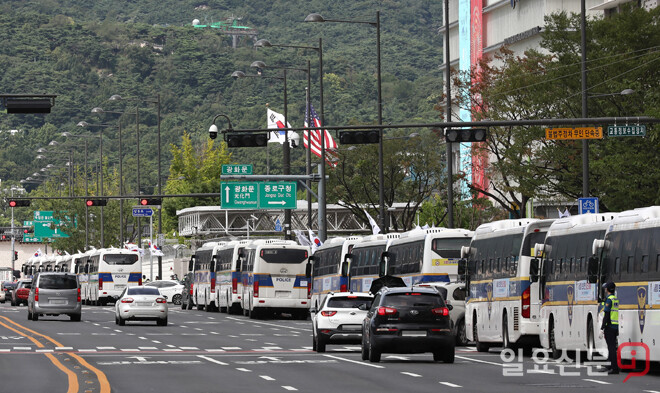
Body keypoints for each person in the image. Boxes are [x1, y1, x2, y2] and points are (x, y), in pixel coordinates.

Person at [599, 281, 619, 374]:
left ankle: (614, 368)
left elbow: (606, 315)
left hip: (610, 327)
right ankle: (609, 365)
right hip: (615, 326)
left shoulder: (609, 300)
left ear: (607, 289)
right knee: (612, 347)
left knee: (611, 348)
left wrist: (602, 328)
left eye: (605, 288)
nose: (605, 289)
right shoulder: (615, 299)